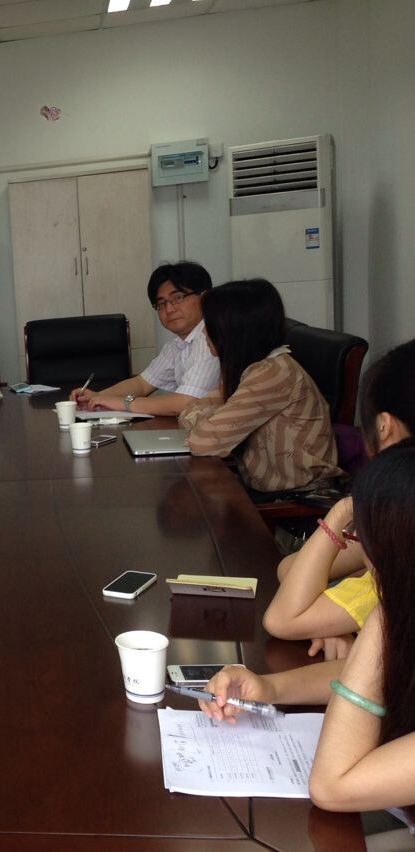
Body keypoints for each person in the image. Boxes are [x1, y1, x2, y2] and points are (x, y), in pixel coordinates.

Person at [199, 439, 415, 816]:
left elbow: (332, 786)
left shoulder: (389, 613)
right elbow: (384, 674)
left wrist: (382, 619)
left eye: (363, 539)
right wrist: (270, 688)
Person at [262, 340, 415, 659]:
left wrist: (343, 511)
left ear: (383, 427)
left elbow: (282, 619)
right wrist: (333, 620)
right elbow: (290, 569)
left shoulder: (398, 521)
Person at [178, 279, 341, 494]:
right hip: (264, 489)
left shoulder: (272, 373)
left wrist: (209, 420)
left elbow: (203, 441)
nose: (203, 333)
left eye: (209, 324)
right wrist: (210, 420)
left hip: (297, 498)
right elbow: (190, 411)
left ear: (232, 328)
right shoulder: (248, 368)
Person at [71, 261, 219, 416]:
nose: (169, 309)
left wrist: (124, 403)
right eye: (161, 303)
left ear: (204, 297)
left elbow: (185, 403)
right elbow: (141, 384)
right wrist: (97, 396)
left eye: (178, 297)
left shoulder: (211, 341)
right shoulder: (176, 346)